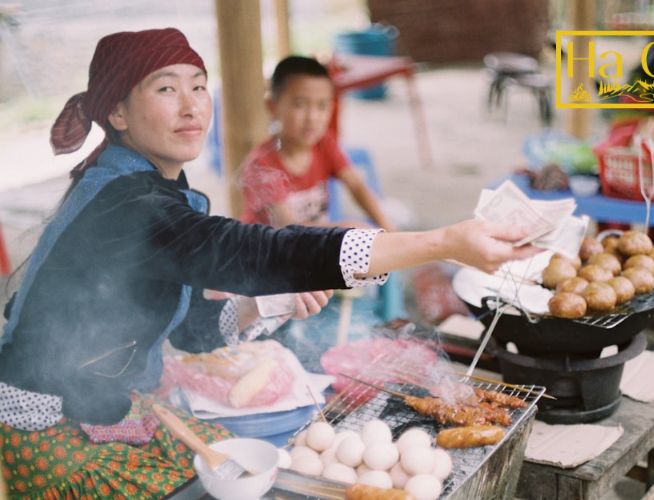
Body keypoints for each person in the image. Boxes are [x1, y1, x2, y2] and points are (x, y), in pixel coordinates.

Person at [0, 28, 539, 498]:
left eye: (198, 85)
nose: (192, 106)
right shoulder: (124, 205)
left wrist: (265, 302)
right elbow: (258, 248)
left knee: (251, 469)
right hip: (48, 420)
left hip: (111, 400)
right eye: (166, 88)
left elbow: (188, 331)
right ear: (116, 112)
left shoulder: (152, 187)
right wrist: (443, 241)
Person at [240, 55, 396, 230]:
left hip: (313, 246)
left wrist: (390, 231)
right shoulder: (261, 165)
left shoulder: (323, 143)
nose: (313, 118)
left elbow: (357, 186)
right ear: (272, 106)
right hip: (267, 253)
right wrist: (345, 230)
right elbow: (287, 229)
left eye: (322, 106)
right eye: (300, 104)